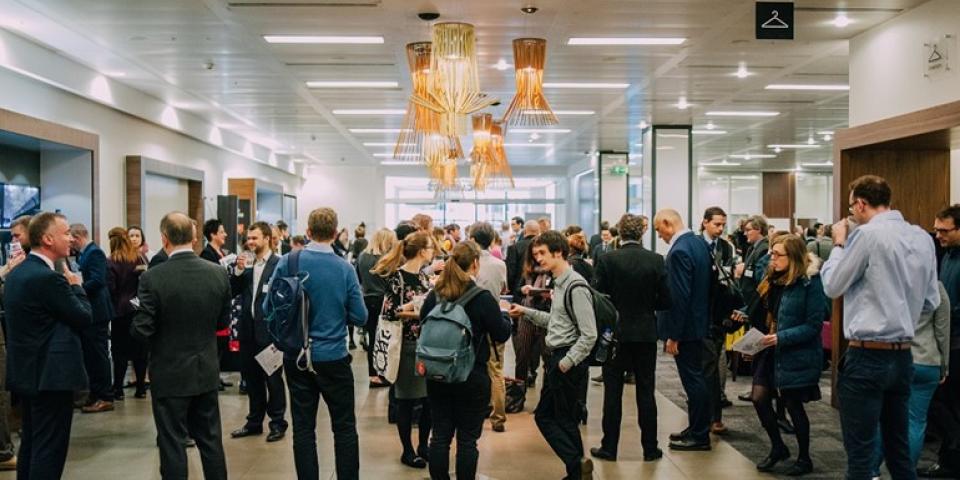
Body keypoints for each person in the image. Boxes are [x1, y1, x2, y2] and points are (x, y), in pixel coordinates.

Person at [821, 175, 940, 480]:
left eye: (851, 209)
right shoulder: (922, 237)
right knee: (899, 452)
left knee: (860, 455)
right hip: (903, 356)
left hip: (867, 355)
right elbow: (930, 301)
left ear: (861, 204)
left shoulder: (867, 235)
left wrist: (838, 244)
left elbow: (833, 286)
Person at [264, 207, 366, 480]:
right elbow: (361, 315)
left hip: (296, 355)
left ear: (308, 232)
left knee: (303, 428)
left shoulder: (288, 262)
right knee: (344, 427)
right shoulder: (344, 268)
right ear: (335, 234)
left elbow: (268, 306)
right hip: (333, 357)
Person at [131, 212, 230, 479]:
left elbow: (142, 330)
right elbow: (223, 321)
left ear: (164, 239)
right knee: (211, 441)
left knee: (172, 443)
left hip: (169, 372)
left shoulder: (153, 278)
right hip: (206, 368)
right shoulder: (218, 274)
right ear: (195, 237)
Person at [6, 212, 91, 479]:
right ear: (47, 239)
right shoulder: (49, 279)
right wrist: (76, 286)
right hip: (51, 376)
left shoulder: (18, 275)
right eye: (65, 233)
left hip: (28, 373)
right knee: (49, 449)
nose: (71, 238)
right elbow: (83, 317)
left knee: (32, 443)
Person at [736, 234, 828, 475]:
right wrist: (745, 312)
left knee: (793, 404)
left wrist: (781, 337)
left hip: (796, 352)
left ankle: (804, 457)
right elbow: (763, 307)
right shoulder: (772, 279)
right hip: (769, 348)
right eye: (772, 254)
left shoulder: (810, 283)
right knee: (759, 397)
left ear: (794, 257)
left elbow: (813, 325)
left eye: (778, 255)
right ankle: (778, 447)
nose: (772, 259)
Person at [508, 230, 597, 480]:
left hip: (566, 360)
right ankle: (577, 470)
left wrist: (566, 364)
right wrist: (525, 311)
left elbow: (589, 334)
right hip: (558, 357)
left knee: (548, 418)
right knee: (563, 419)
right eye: (536, 254)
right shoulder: (559, 283)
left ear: (559, 252)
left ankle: (576, 465)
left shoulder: (575, 285)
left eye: (543, 253)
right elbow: (556, 322)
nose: (539, 259)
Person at [421, 241, 511, 480]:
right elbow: (501, 334)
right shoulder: (482, 298)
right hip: (472, 375)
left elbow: (422, 323)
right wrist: (505, 316)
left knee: (439, 436)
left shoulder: (435, 296)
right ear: (474, 264)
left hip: (438, 374)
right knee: (467, 441)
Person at [590, 214, 670, 464]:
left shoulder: (607, 259)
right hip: (646, 332)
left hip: (615, 333)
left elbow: (598, 298)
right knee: (646, 391)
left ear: (619, 233)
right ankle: (650, 448)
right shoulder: (656, 260)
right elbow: (666, 300)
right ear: (641, 234)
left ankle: (609, 447)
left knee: (612, 392)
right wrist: (647, 305)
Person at [372, 231, 434, 468]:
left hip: (426, 345)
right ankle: (407, 450)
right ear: (421, 251)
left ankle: (423, 445)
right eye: (430, 247)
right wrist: (414, 306)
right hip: (406, 346)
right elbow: (389, 313)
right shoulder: (397, 278)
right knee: (406, 400)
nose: (432, 251)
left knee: (428, 400)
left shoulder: (424, 277)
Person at [874, 283, 950, 477]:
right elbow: (942, 330)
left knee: (885, 419)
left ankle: (871, 470)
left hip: (896, 358)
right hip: (927, 360)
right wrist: (944, 365)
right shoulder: (936, 287)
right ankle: (905, 473)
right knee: (916, 421)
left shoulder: (895, 283)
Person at [653, 209, 712, 451]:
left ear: (668, 223)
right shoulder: (698, 244)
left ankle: (700, 434)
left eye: (659, 229)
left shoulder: (678, 251)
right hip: (698, 322)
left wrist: (673, 335)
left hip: (685, 328)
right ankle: (697, 427)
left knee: (693, 380)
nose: (659, 235)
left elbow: (679, 297)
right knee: (696, 377)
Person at [229, 222, 288, 443]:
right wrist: (238, 272)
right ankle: (254, 422)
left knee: (273, 380)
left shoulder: (279, 264)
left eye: (255, 238)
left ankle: (277, 423)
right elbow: (233, 291)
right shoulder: (247, 264)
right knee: (251, 379)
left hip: (270, 334)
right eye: (249, 238)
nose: (250, 242)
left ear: (267, 238)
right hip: (248, 332)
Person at [919, 205, 960, 477]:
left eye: (944, 230)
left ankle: (953, 454)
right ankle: (949, 459)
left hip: (956, 341)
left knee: (945, 402)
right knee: (940, 401)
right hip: (945, 337)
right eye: (936, 229)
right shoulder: (946, 255)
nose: (937, 235)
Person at [70, 223, 116, 413]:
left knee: (98, 356)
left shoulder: (94, 252)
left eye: (72, 239)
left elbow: (98, 280)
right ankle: (95, 393)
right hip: (92, 311)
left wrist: (77, 288)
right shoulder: (85, 253)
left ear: (78, 236)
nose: (70, 244)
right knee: (91, 355)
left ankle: (105, 396)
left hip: (97, 312)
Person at [469, 222, 509, 433]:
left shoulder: (466, 262)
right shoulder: (499, 264)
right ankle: (498, 418)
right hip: (493, 317)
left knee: (472, 365)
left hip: (470, 321)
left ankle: (474, 409)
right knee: (496, 368)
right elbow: (503, 288)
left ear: (473, 240)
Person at [700, 207, 737, 434]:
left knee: (713, 366)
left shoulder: (725, 247)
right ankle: (703, 413)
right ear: (705, 223)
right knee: (703, 367)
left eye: (723, 224)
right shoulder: (697, 245)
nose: (721, 229)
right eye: (716, 224)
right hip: (700, 312)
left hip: (718, 313)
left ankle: (715, 416)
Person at [106, 227, 149, 400]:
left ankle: (118, 389)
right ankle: (141, 388)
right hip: (137, 309)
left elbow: (111, 288)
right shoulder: (137, 258)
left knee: (119, 353)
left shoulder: (110, 261)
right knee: (140, 351)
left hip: (119, 312)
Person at [357, 228, 397, 387]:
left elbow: (358, 279)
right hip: (382, 301)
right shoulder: (385, 259)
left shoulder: (362, 257)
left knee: (373, 338)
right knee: (384, 339)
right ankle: (382, 373)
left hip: (367, 300)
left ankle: (373, 375)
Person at [197, 219, 233, 392]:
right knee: (215, 344)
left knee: (222, 345)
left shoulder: (221, 252)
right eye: (221, 231)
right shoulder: (207, 254)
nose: (225, 234)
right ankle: (212, 377)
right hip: (214, 306)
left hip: (224, 305)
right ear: (213, 234)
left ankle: (217, 374)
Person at [506, 220, 540, 296]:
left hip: (518, 290)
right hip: (539, 289)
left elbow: (511, 272)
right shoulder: (543, 248)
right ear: (539, 232)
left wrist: (511, 290)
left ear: (524, 231)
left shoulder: (514, 247)